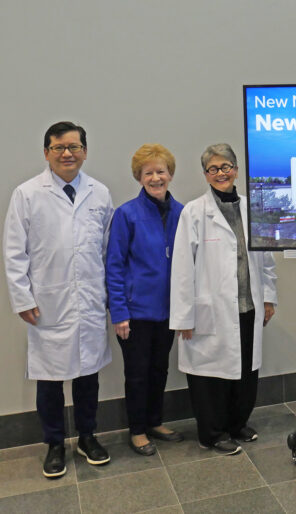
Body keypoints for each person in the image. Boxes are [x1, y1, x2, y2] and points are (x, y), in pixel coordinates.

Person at [3, 121, 113, 478]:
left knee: (88, 376)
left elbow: (108, 250)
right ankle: (54, 443)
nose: (68, 153)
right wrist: (22, 297)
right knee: (49, 379)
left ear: (85, 150)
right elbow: (13, 252)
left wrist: (109, 296)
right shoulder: (27, 194)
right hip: (47, 302)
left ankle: (87, 436)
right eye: (59, 147)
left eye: (75, 146)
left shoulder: (100, 193)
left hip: (90, 299)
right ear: (46, 152)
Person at [170, 143, 277, 455]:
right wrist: (183, 317)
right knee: (210, 377)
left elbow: (267, 258)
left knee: (245, 372)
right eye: (213, 169)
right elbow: (181, 269)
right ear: (206, 175)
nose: (221, 173)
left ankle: (236, 424)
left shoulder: (254, 208)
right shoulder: (194, 212)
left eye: (226, 167)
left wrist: (268, 297)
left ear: (236, 170)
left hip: (248, 305)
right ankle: (212, 433)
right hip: (211, 310)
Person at [106, 144, 185, 456]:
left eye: (161, 171)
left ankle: (155, 421)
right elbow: (114, 265)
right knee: (137, 374)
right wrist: (119, 312)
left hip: (169, 311)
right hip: (136, 313)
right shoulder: (126, 214)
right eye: (148, 172)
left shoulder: (183, 213)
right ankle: (137, 430)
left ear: (170, 174)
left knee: (159, 370)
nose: (156, 177)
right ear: (139, 177)